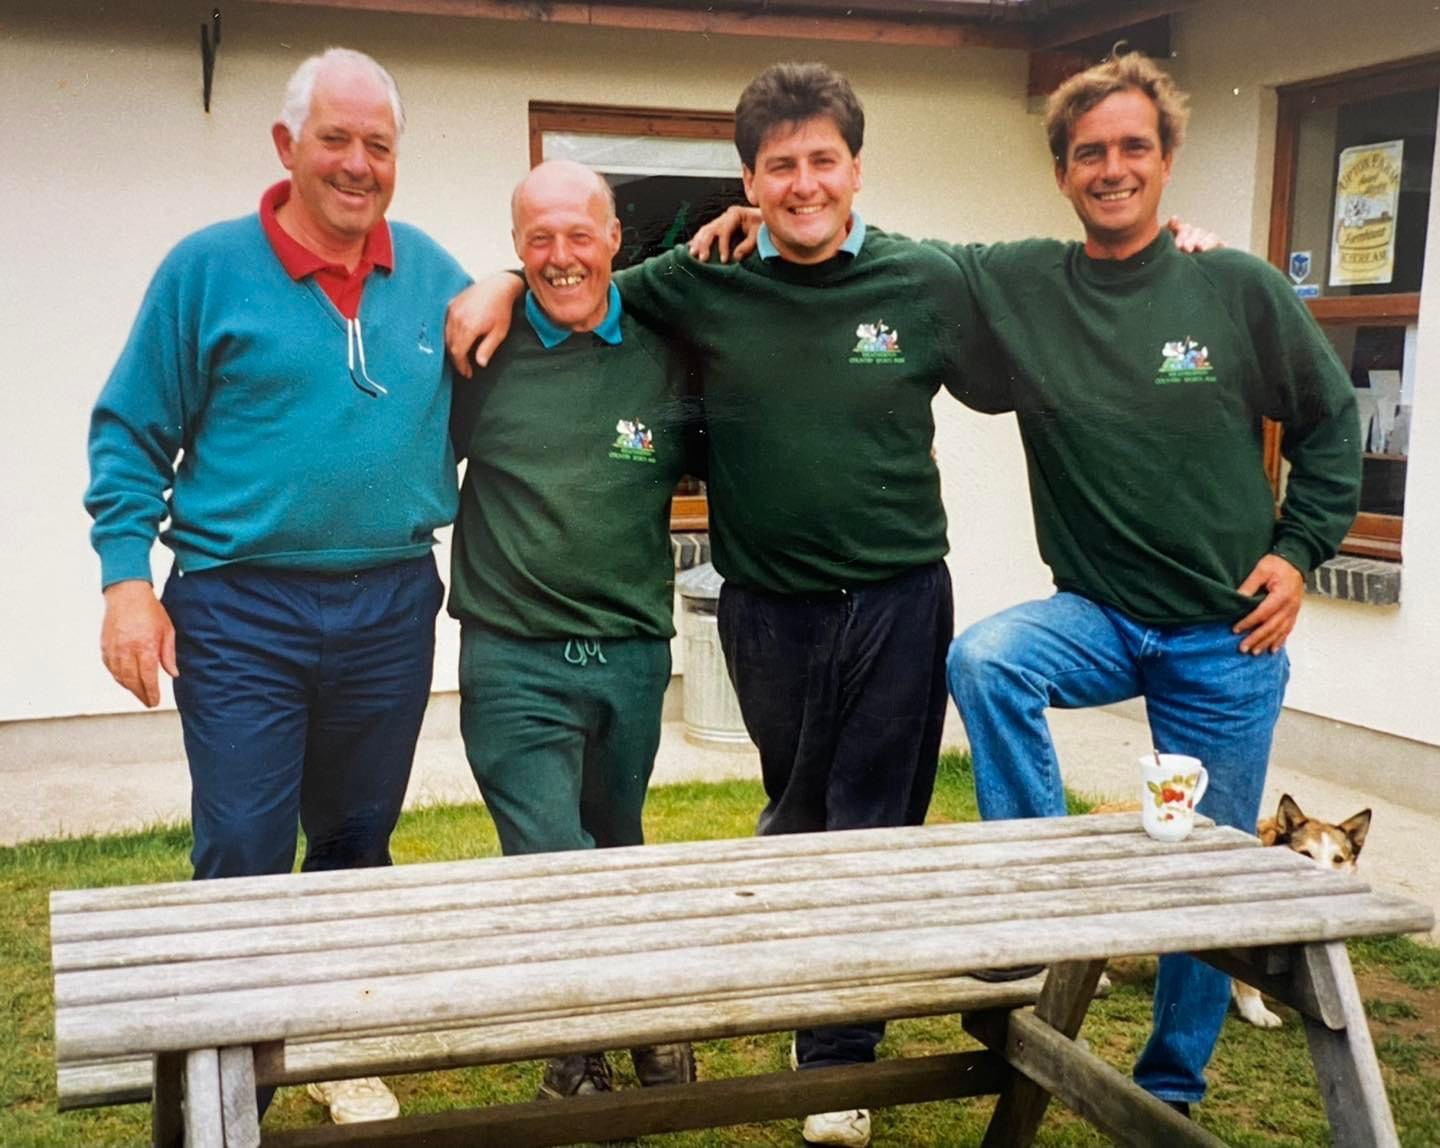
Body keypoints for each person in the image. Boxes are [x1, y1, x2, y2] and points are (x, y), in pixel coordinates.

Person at [445, 62, 1005, 1148]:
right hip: (765, 609)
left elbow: (1033, 328)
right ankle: (695, 1020)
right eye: (779, 167)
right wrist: (502, 282)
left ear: (855, 167)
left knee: (872, 830)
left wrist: (1169, 262)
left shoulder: (921, 278)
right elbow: (573, 277)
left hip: (895, 597)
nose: (803, 184)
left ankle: (836, 1057)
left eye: (822, 161)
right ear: (749, 181)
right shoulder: (696, 284)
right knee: (793, 819)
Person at [938, 54, 1361, 1115]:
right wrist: (755, 223)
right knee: (986, 658)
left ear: (1168, 159)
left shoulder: (1236, 286)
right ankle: (1048, 892)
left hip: (1227, 634)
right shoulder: (1027, 283)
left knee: (1203, 874)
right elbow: (893, 257)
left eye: (1134, 146)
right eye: (1090, 152)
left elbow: (1330, 419)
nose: (1112, 167)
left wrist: (1300, 550)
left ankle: (1170, 1088)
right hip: (1096, 612)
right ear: (1062, 172)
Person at [84, 47, 470, 1127]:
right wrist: (125, 582)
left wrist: (507, 282)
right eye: (335, 139)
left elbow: (527, 337)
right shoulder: (206, 270)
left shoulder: (433, 273)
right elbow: (129, 431)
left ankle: (334, 1041)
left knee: (356, 840)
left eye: (378, 145)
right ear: (286, 145)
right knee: (244, 847)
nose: (357, 163)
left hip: (391, 602)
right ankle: (227, 1077)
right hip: (239, 606)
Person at [448, 159, 697, 1098]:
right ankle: (596, 1040)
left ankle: (618, 1026)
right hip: (513, 653)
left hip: (631, 654)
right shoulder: (482, 349)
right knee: (550, 853)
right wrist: (499, 288)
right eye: (537, 240)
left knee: (614, 841)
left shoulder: (669, 352)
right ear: (516, 247)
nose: (561, 257)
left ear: (615, 240)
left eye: (579, 235)